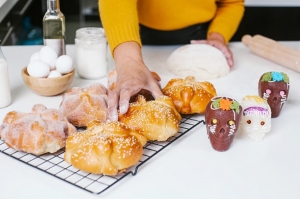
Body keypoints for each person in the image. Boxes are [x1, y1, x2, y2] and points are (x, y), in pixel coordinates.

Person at [99, 0, 245, 121]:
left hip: (201, 36)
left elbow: (231, 3)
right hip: (133, 33)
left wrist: (218, 35)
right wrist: (129, 61)